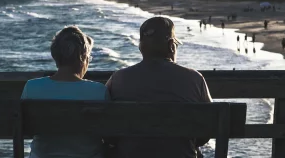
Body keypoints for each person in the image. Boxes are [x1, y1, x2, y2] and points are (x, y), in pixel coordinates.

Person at [106, 17, 212, 158]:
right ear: (171, 46)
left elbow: (106, 129)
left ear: (141, 47)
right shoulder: (195, 78)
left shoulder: (117, 78)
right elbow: (208, 127)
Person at [21, 26, 107, 158]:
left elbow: (26, 131)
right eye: (89, 58)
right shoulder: (98, 91)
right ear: (83, 58)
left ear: (55, 56)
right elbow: (109, 135)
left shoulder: (32, 87)